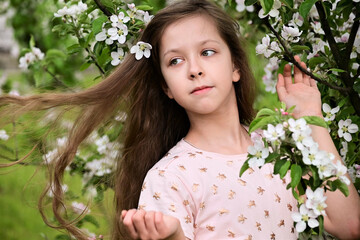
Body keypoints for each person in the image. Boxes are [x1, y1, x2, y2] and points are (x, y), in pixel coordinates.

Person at [0, 0, 359, 239]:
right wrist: (172, 236)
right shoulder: (171, 177)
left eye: (207, 51)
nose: (195, 70)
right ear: (166, 87)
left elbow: (348, 223)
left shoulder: (280, 151)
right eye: (175, 61)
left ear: (235, 65)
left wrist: (311, 119)